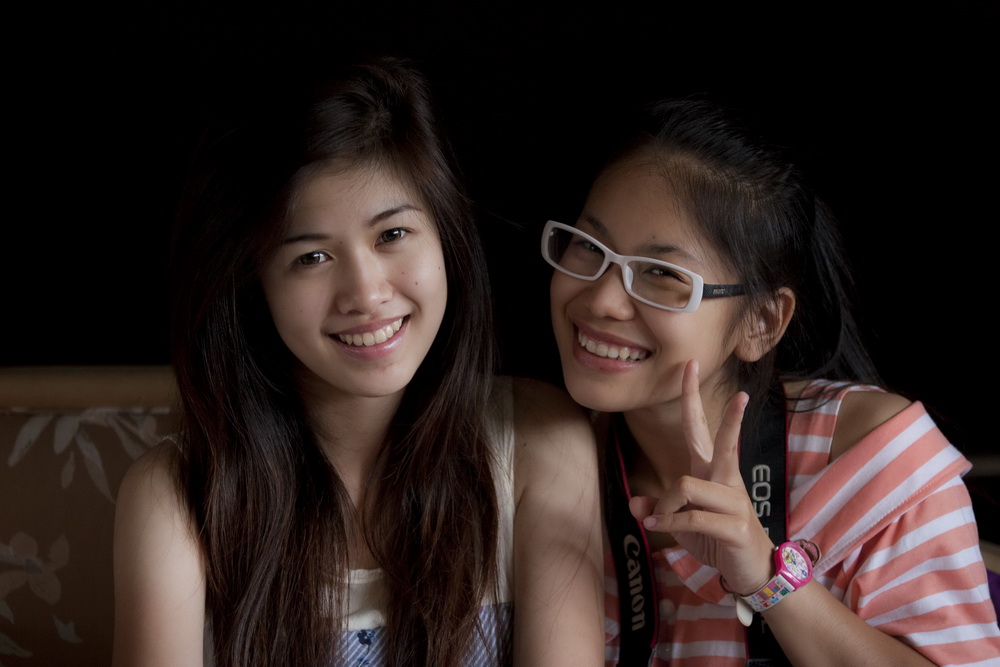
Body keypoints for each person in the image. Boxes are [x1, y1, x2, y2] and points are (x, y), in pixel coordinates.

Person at [112, 58, 604, 667]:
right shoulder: (177, 497)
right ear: (253, 286)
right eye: (311, 257)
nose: (366, 294)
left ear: (445, 235)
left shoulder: (536, 440)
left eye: (392, 235)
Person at [542, 98, 1000, 666]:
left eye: (661, 274)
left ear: (760, 322)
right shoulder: (543, 464)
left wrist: (764, 575)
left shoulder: (868, 458)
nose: (602, 300)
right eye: (589, 247)